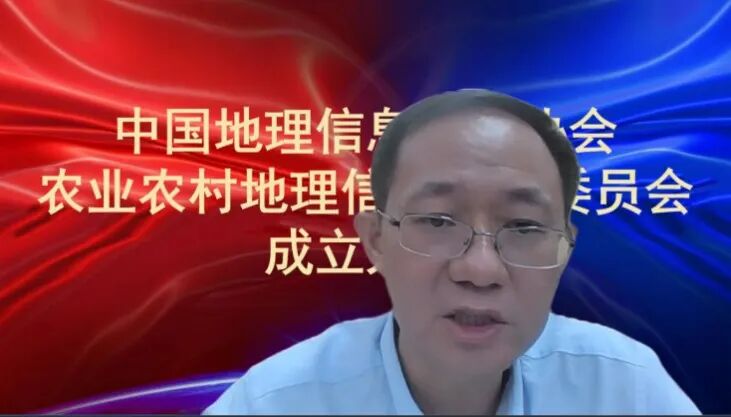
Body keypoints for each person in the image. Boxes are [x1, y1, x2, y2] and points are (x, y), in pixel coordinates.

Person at [203, 89, 700, 414]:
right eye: (437, 222)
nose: (480, 269)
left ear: (566, 246)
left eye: (524, 226)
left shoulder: (622, 388)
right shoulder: (277, 403)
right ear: (375, 240)